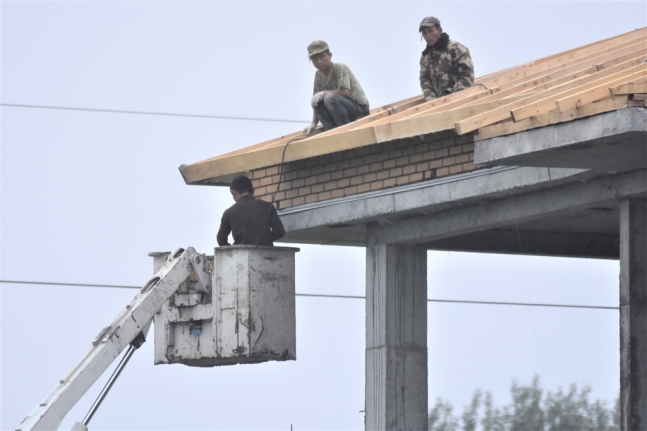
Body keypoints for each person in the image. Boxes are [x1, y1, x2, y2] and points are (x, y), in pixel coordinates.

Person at [303, 40, 370, 135]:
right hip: (338, 113)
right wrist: (314, 123)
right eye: (315, 59)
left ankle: (345, 131)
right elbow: (316, 101)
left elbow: (345, 92)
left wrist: (324, 93)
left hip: (358, 111)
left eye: (322, 57)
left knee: (329, 98)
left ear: (330, 56)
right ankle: (332, 132)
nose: (319, 61)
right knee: (316, 101)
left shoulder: (339, 67)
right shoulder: (318, 75)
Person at [217, 176, 285, 246]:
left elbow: (221, 239)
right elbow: (279, 232)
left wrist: (233, 250)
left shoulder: (229, 212)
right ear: (252, 191)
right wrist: (264, 239)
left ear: (234, 192)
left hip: (240, 254)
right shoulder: (268, 207)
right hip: (267, 254)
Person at [419, 16, 474, 101]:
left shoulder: (456, 48)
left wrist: (454, 99)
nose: (428, 36)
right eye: (424, 33)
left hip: (461, 99)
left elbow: (466, 76)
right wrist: (434, 103)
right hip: (440, 104)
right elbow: (425, 83)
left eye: (431, 31)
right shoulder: (425, 58)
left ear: (440, 30)